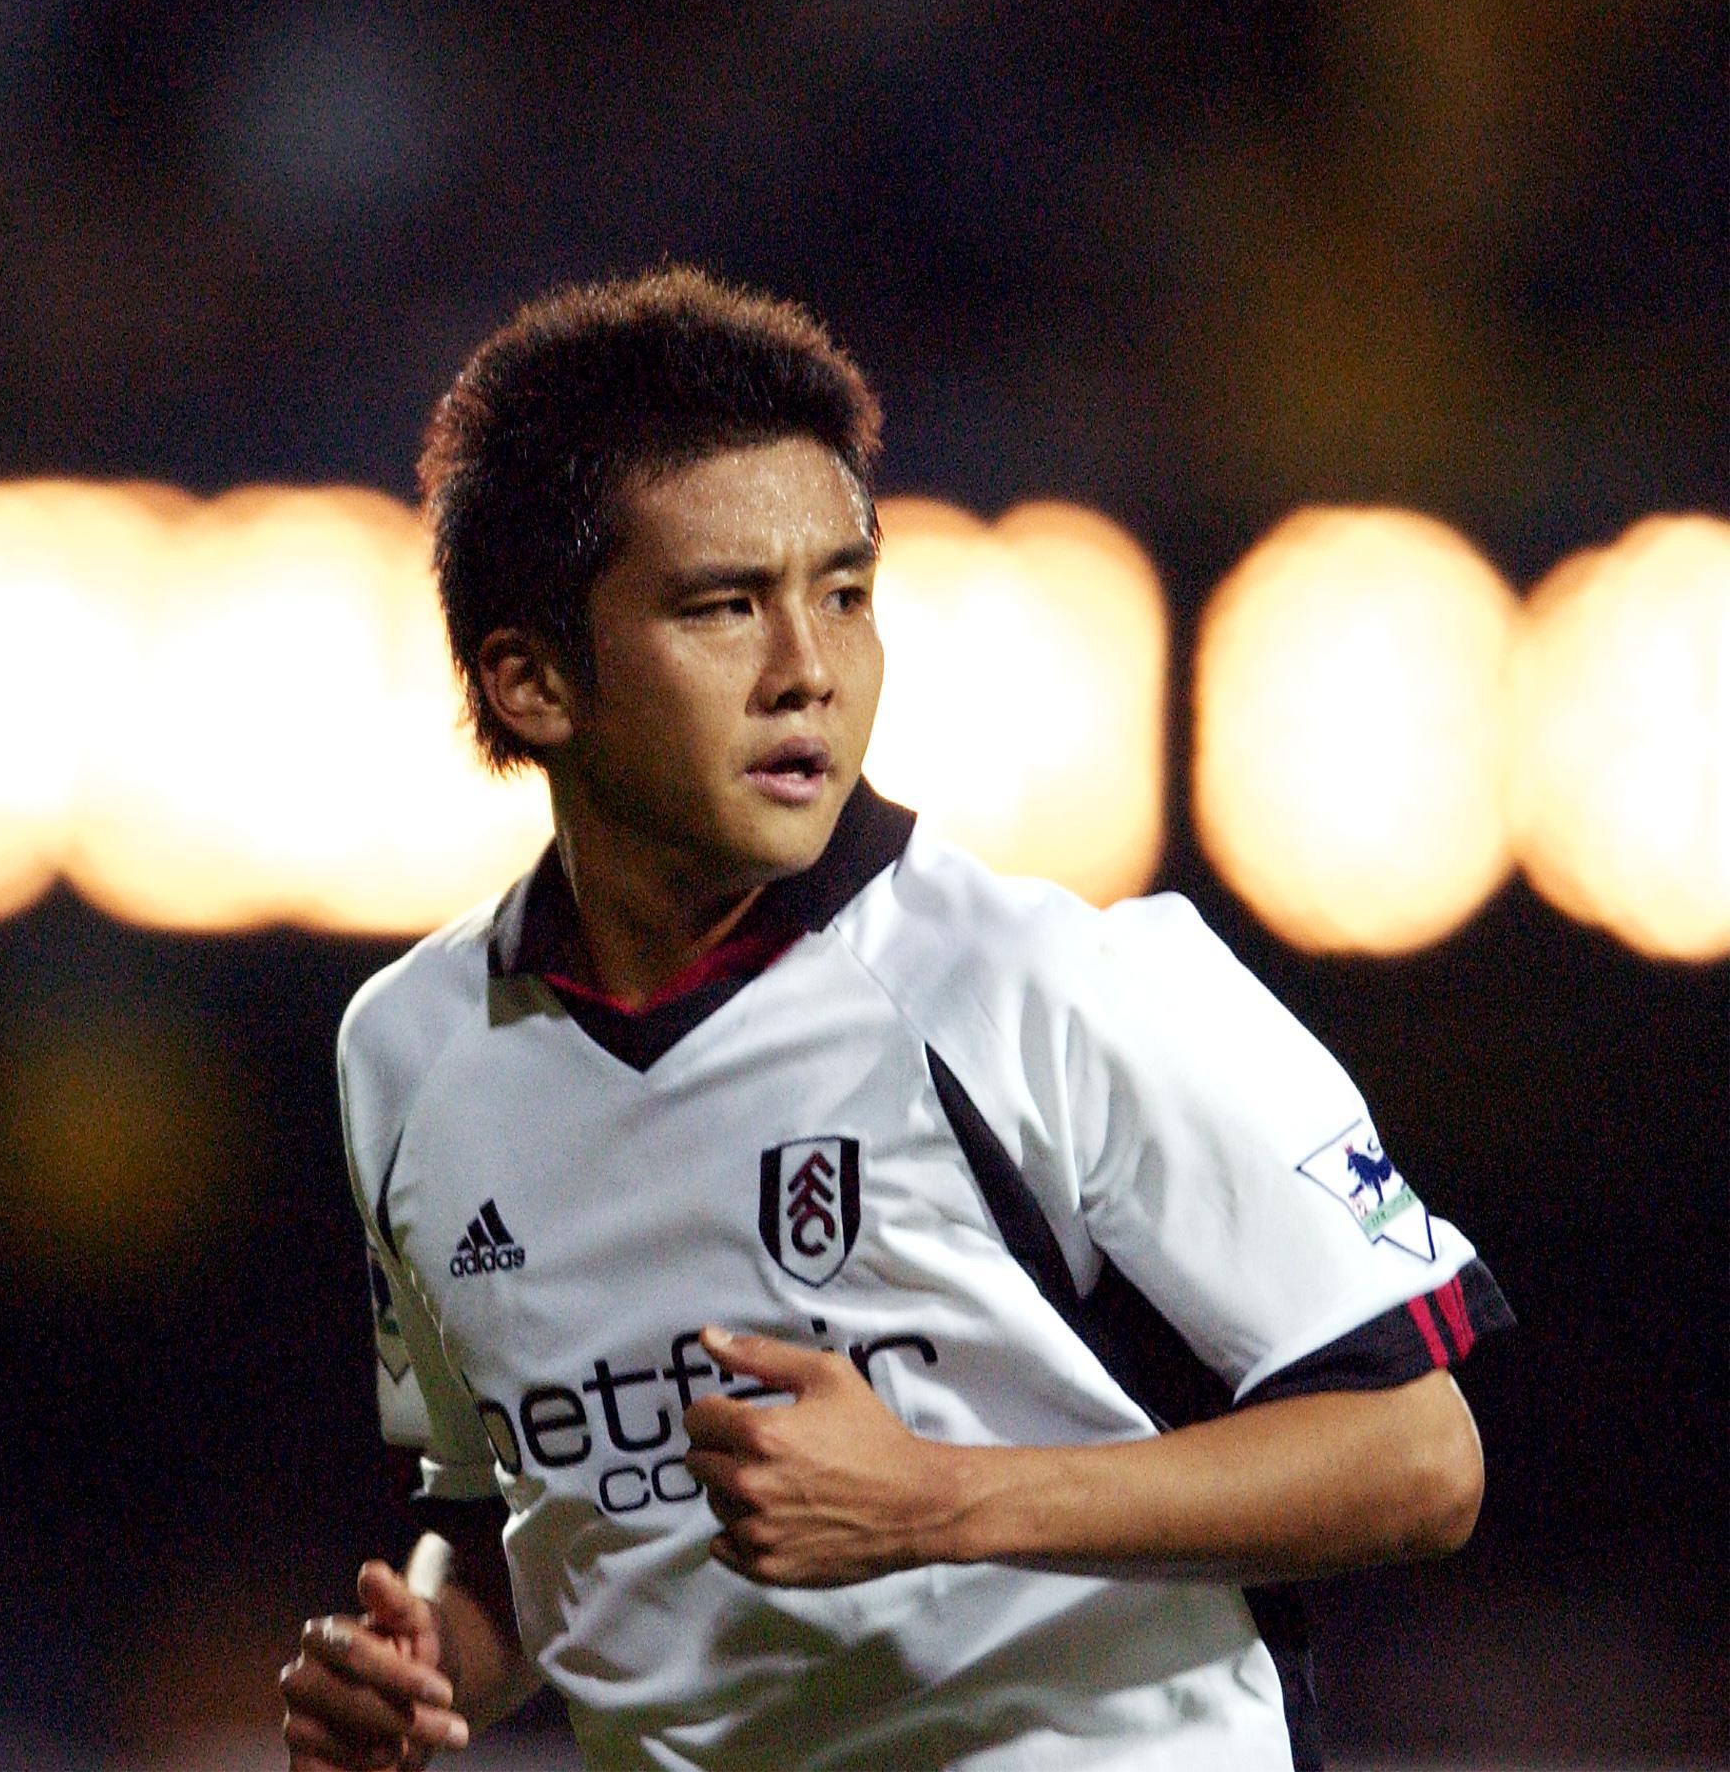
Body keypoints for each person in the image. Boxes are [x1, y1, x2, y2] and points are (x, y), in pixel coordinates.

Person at [277, 269, 1505, 1772]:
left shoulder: (1059, 985)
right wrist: (422, 1664)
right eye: (725, 606)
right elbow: (517, 1518)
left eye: (845, 594)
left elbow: (1418, 1459)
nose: (811, 671)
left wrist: (933, 1499)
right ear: (531, 681)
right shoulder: (406, 1055)